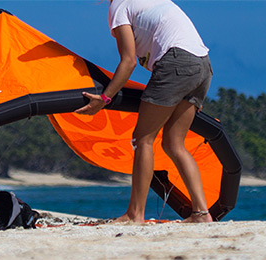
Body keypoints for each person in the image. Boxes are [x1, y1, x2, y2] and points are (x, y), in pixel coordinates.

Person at [74, 0, 214, 223]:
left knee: (142, 140)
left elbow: (128, 61)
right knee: (173, 143)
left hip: (177, 63)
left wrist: (105, 98)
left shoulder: (120, 7)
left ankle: (135, 214)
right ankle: (201, 213)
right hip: (202, 66)